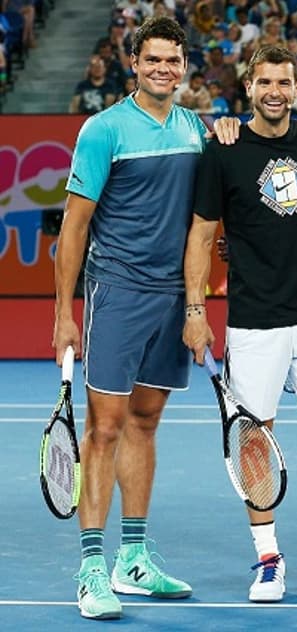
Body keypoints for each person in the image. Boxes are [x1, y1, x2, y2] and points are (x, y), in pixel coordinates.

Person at [182, 45, 297, 605]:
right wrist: (194, 311)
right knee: (255, 443)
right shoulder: (222, 149)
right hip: (253, 322)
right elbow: (203, 234)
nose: (275, 90)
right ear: (249, 86)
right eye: (264, 82)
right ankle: (268, 559)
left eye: (285, 81)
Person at [52, 16, 205, 620]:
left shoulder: (196, 128)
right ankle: (92, 567)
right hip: (115, 292)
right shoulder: (104, 130)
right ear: (133, 63)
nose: (164, 69)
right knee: (105, 428)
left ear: (183, 65)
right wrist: (65, 313)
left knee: (145, 422)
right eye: (153, 60)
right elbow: (74, 226)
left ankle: (132, 558)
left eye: (173, 60)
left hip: (172, 297)